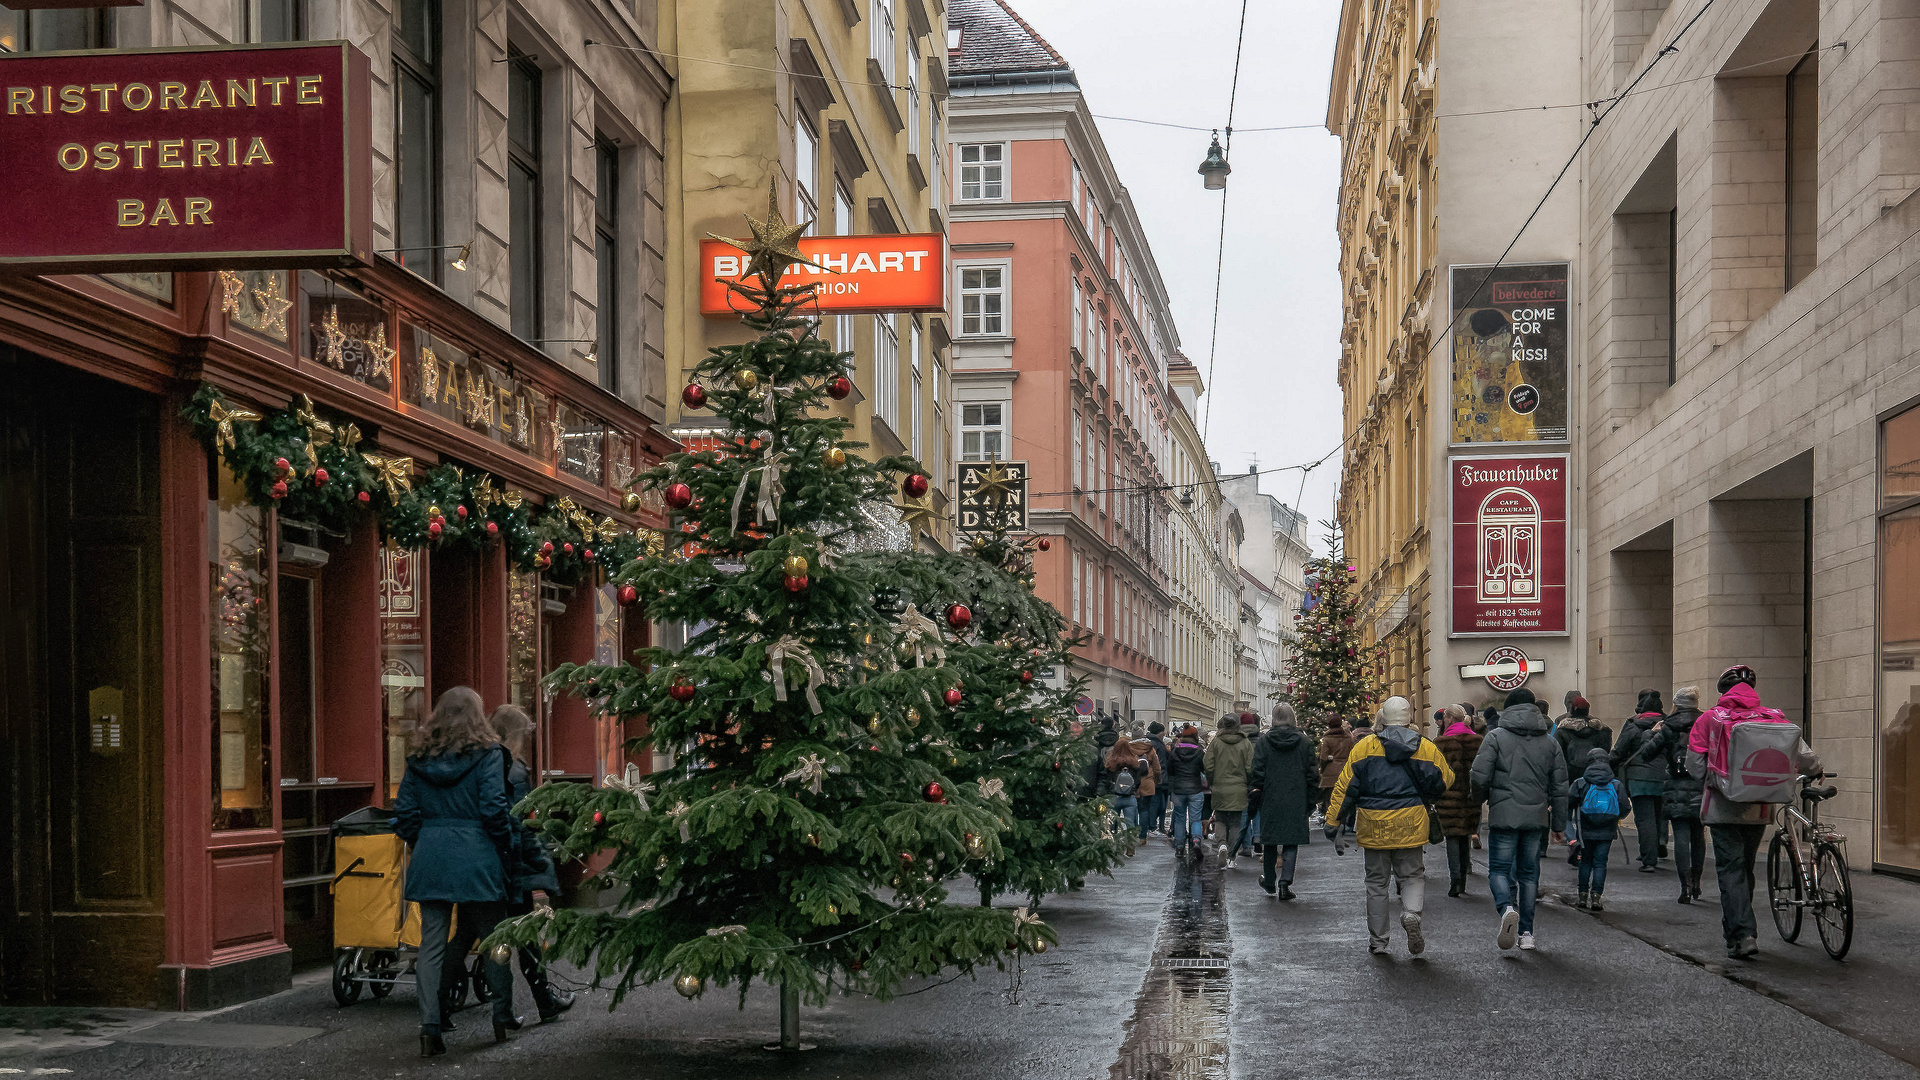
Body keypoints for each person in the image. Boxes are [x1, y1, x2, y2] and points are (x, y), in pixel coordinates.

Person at [394, 687, 518, 1056]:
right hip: (478, 853)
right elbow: (495, 807)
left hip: (432, 854)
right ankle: (501, 1014)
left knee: (430, 945)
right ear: (478, 715)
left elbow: (404, 815)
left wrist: (428, 839)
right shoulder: (490, 754)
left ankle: (430, 1026)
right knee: (494, 937)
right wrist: (503, 846)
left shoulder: (419, 757)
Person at [1687, 665, 1822, 960]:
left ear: (1723, 691)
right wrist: (1817, 770)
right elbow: (1805, 757)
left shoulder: (1710, 719)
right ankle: (1738, 931)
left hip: (1722, 806)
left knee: (1730, 870)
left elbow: (1695, 765)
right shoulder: (1774, 717)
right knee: (1745, 869)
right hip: (1760, 807)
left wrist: (1713, 778)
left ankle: (1742, 934)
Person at [1326, 696, 1452, 956]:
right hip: (1411, 821)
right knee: (1413, 875)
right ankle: (1411, 913)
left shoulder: (1365, 747)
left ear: (1383, 716)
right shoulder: (1424, 747)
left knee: (1376, 884)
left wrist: (1332, 821)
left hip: (1374, 824)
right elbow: (1446, 779)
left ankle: (1379, 941)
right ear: (1408, 718)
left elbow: (1344, 788)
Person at [486, 705, 576, 1023]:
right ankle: (542, 1001)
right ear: (516, 736)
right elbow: (519, 823)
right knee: (525, 936)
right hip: (512, 866)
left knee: (473, 936)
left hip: (488, 866)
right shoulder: (514, 770)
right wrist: (541, 865)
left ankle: (439, 1012)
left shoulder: (483, 762)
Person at [1470, 688, 1568, 953]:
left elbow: (1478, 776)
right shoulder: (1550, 742)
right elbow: (1560, 786)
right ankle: (1526, 933)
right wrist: (1559, 824)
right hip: (1536, 817)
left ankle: (1506, 908)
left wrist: (1479, 799)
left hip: (1503, 814)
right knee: (1528, 874)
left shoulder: (1496, 737)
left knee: (1499, 870)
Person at [1633, 686, 1707, 903]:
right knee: (1698, 835)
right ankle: (1697, 883)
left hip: (1675, 783)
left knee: (1681, 835)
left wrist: (1652, 733)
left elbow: (1647, 753)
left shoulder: (1668, 726)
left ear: (1677, 703)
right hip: (1701, 783)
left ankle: (1684, 886)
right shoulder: (1706, 722)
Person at [1248, 704, 1319, 899]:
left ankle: (1269, 881)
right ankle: (1285, 883)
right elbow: (1312, 774)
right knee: (1291, 841)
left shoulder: (1264, 742)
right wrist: (1311, 799)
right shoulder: (1304, 743)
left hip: (1270, 797)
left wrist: (1255, 791)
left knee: (1270, 841)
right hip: (1297, 797)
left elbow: (1258, 771)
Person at [1611, 689, 1669, 872]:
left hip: (1639, 778)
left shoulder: (1632, 725)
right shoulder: (1668, 724)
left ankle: (1649, 858)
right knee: (1660, 815)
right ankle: (1659, 844)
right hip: (1664, 776)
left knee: (1644, 819)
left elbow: (1619, 751)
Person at [1570, 747, 1631, 910]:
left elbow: (1569, 803)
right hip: (1607, 831)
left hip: (1585, 830)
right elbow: (1625, 806)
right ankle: (1596, 897)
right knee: (1600, 863)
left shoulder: (1581, 782)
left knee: (1585, 862)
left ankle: (1582, 896)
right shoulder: (1616, 784)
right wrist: (1614, 816)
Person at [1552, 698, 1611, 864]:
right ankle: (1585, 844)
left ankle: (1572, 840)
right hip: (1591, 776)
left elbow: (1556, 755)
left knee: (1565, 812)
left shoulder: (1562, 730)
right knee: (1586, 810)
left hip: (1568, 775)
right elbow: (1606, 752)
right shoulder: (1600, 729)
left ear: (1571, 709)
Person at [1434, 705, 1485, 897]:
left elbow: (1436, 772)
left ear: (1448, 719)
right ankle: (1463, 877)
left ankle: (1455, 878)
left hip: (1448, 797)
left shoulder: (1441, 743)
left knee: (1452, 837)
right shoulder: (1477, 741)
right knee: (1465, 834)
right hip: (1471, 797)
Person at [1203, 714, 1255, 868]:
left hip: (1219, 786)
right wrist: (1247, 782)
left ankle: (1221, 845)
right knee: (1235, 823)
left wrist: (1212, 781)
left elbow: (1208, 765)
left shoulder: (1216, 743)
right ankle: (1231, 855)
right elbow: (1250, 767)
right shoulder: (1245, 743)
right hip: (1239, 787)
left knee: (1220, 819)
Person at [1165, 725, 1207, 861]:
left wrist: (1172, 787)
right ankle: (1196, 841)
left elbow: (1169, 770)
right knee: (1195, 819)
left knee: (1179, 818)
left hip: (1178, 790)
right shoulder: (1199, 752)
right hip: (1195, 789)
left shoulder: (1175, 752)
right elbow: (1204, 770)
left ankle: (1179, 848)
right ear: (1195, 737)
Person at [1314, 717, 1355, 824]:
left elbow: (1323, 757)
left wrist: (1323, 768)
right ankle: (1344, 821)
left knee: (1330, 799)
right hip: (1346, 773)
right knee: (1344, 799)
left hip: (1330, 774)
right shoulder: (1349, 738)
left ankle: (1331, 822)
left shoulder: (1327, 739)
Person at [1103, 737, 1147, 833]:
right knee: (1130, 824)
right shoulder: (1134, 762)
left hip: (1114, 796)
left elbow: (1106, 779)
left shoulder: (1111, 762)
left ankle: (1112, 842)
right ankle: (1130, 845)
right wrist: (1134, 789)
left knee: (1111, 824)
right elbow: (1138, 780)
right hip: (1129, 796)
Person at [1127, 728, 1162, 840]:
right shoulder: (1149, 748)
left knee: (1132, 808)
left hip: (1132, 782)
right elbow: (1157, 768)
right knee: (1144, 809)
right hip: (1148, 782)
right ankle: (1142, 836)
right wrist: (1157, 781)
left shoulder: (1128, 749)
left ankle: (1133, 833)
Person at [1144, 722, 1173, 835]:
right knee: (1158, 804)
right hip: (1159, 779)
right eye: (1163, 731)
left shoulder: (1150, 743)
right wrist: (1160, 778)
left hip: (1154, 779)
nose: (1164, 733)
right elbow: (1159, 764)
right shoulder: (1158, 745)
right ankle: (1153, 826)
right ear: (1160, 732)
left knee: (1155, 804)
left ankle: (1153, 826)